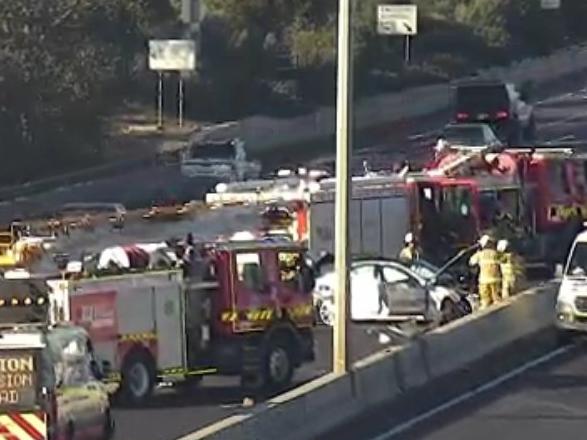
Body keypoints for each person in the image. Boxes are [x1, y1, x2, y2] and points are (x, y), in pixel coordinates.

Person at [469, 234, 501, 309]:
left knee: (485, 302)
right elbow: (505, 261)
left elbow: (471, 262)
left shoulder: (479, 254)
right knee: (497, 301)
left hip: (483, 280)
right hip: (495, 280)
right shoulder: (496, 253)